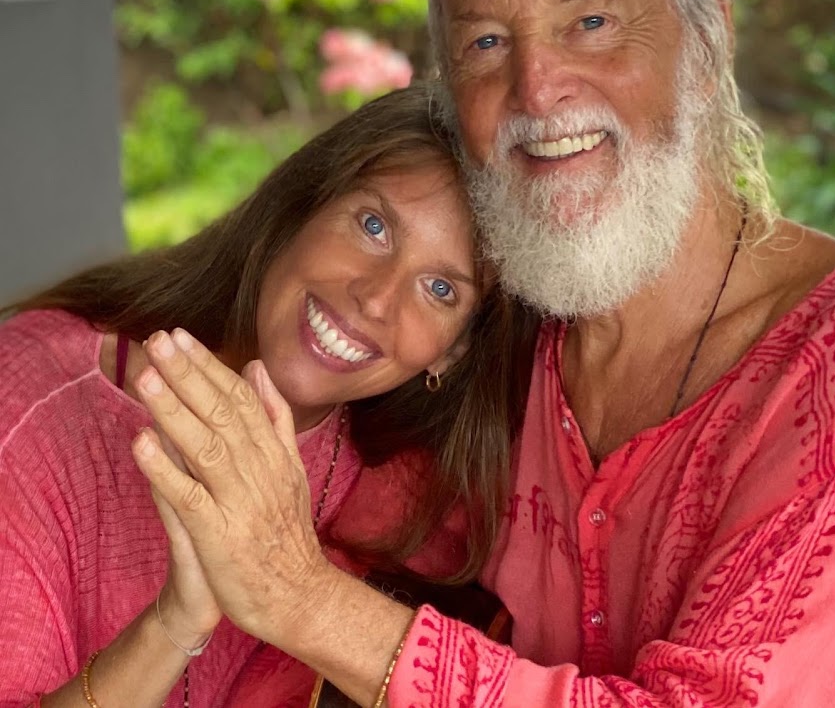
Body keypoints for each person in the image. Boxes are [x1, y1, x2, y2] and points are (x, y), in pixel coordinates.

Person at [133, 0, 835, 708]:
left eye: (591, 22)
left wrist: (300, 597)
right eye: (487, 43)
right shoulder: (509, 324)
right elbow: (345, 507)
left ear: (706, 36)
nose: (536, 89)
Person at [0, 84, 531, 708]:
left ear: (451, 352)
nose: (377, 298)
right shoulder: (33, 403)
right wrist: (176, 622)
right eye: (374, 226)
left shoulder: (425, 494)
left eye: (441, 289)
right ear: (300, 208)